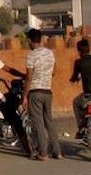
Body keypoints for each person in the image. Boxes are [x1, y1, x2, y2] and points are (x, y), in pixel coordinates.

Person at [22, 29, 62, 160]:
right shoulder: (50, 53)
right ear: (40, 39)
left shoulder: (31, 55)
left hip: (35, 92)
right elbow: (55, 71)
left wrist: (24, 96)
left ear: (29, 40)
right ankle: (57, 152)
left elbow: (28, 77)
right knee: (49, 121)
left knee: (38, 123)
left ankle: (43, 153)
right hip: (48, 91)